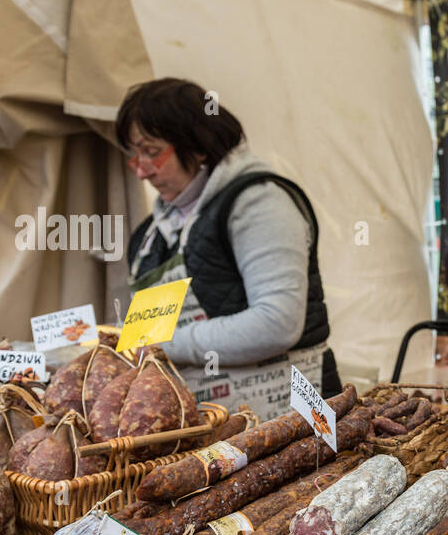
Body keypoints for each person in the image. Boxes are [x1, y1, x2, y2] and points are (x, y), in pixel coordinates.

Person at [116, 78, 338, 415]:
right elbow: (150, 334)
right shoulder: (150, 237)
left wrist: (168, 344)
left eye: (152, 152)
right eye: (136, 155)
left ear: (199, 144)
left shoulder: (259, 203)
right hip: (205, 420)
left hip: (285, 413)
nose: (142, 172)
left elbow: (277, 323)